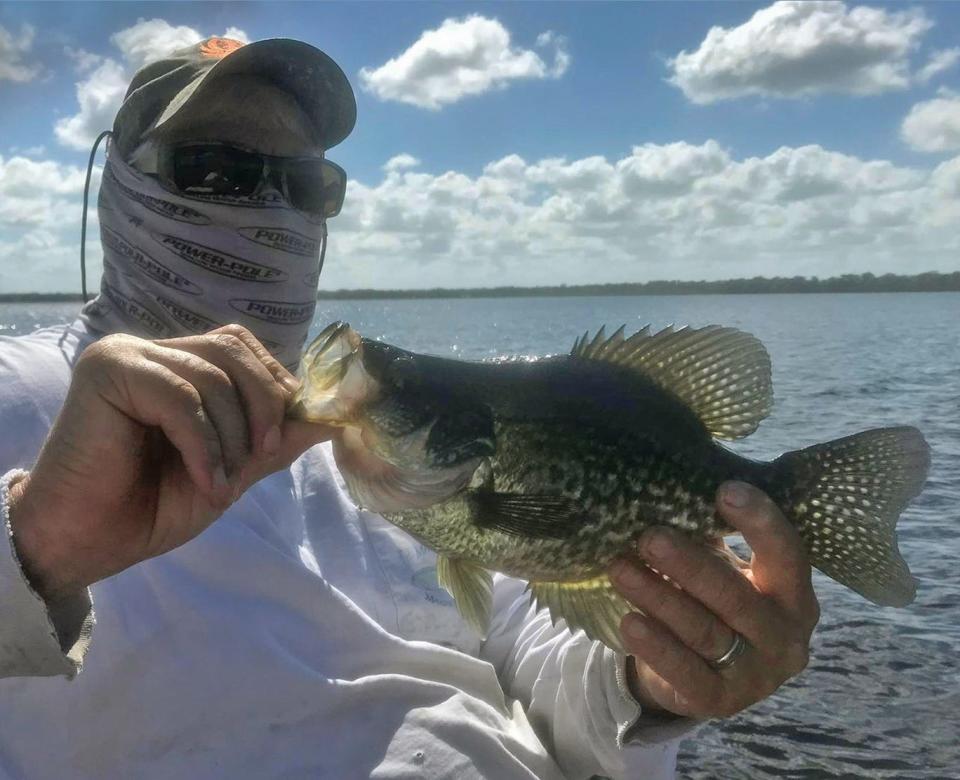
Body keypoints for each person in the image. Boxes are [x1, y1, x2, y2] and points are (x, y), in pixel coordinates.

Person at [0, 37, 819, 779]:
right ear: (121, 185)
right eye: (214, 170)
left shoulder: (360, 435)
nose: (269, 208)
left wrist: (653, 675)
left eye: (307, 184)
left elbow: (528, 650)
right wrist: (35, 548)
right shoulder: (16, 385)